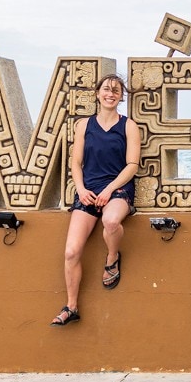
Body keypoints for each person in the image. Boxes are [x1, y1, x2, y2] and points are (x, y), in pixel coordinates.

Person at [50, 74, 141, 326]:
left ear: (121, 97)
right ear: (97, 93)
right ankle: (71, 307)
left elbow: (132, 165)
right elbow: (75, 163)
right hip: (88, 191)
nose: (110, 94)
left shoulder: (128, 125)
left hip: (118, 188)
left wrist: (110, 189)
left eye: (115, 90)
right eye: (105, 89)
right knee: (71, 252)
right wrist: (80, 189)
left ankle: (112, 258)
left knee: (111, 222)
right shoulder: (84, 125)